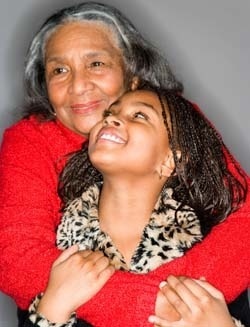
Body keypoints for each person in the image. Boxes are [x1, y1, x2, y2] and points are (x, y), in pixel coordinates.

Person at [0, 1, 249, 326]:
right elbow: (17, 258)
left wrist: (178, 304)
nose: (78, 85)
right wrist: (145, 304)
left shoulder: (177, 119)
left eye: (96, 63)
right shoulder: (30, 138)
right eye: (59, 70)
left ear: (133, 74)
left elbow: (243, 219)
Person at [23, 88, 247, 327]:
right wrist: (51, 310)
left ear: (170, 161)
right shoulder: (58, 257)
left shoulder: (210, 259)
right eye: (109, 113)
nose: (110, 118)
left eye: (139, 116)